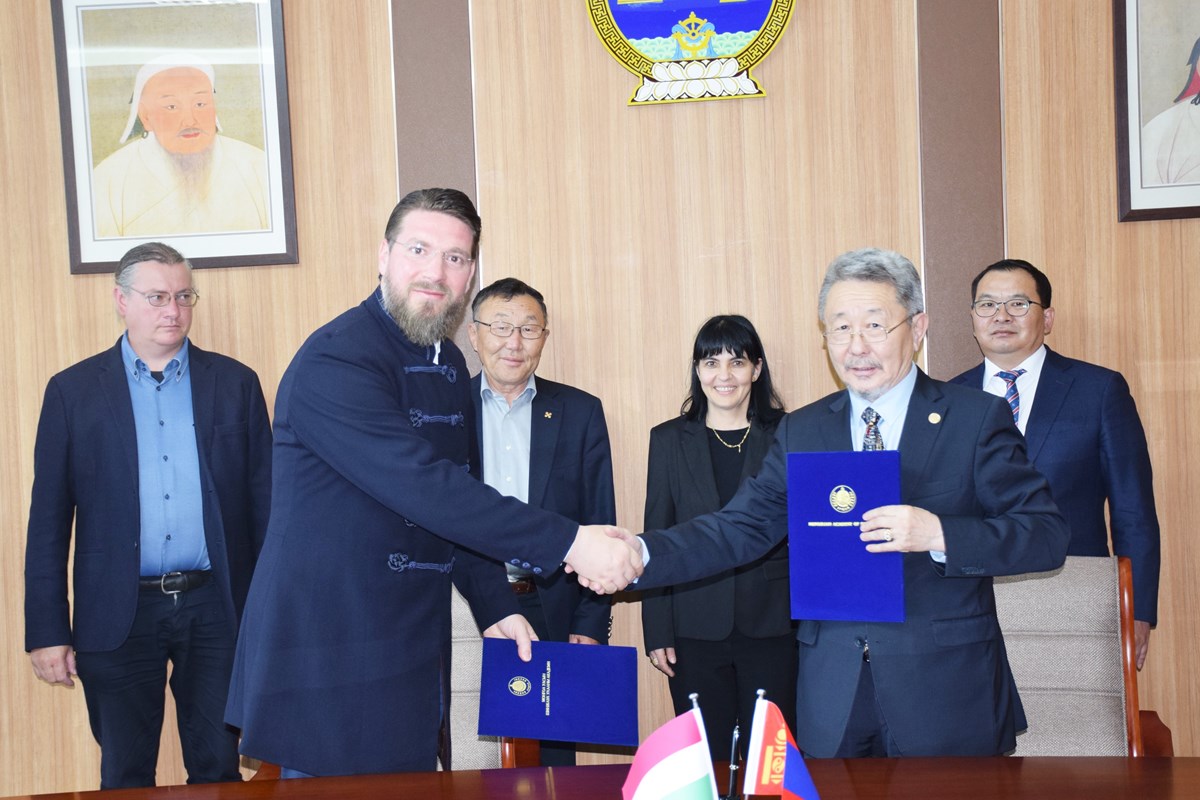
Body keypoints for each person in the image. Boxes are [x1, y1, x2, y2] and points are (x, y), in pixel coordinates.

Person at [224, 188, 641, 778]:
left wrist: (495, 605)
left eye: (455, 257)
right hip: (329, 646)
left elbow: (456, 494)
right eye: (418, 249)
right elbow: (426, 487)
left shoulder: (446, 361)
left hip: (409, 644)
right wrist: (571, 542)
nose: (436, 272)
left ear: (471, 273)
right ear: (384, 255)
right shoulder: (336, 359)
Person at [593, 248, 1070, 758]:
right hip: (831, 691)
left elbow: (1044, 535)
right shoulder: (803, 430)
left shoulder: (975, 417)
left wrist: (939, 534)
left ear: (918, 327)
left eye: (875, 326)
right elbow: (740, 526)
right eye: (840, 328)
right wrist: (641, 552)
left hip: (943, 687)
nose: (856, 346)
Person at [24, 242, 272, 788]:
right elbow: (47, 524)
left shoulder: (235, 383)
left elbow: (266, 508)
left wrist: (272, 613)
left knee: (218, 767)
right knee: (125, 773)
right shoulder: (72, 392)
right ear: (121, 300)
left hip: (217, 607)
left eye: (183, 296)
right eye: (157, 297)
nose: (173, 310)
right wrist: (47, 631)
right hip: (118, 611)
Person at [950, 258, 1160, 669]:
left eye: (1018, 303)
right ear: (973, 319)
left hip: (1073, 592)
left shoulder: (1099, 390)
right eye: (987, 305)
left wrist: (1136, 609)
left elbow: (1133, 510)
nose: (1001, 316)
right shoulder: (948, 400)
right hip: (974, 601)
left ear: (1046, 318)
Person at [466, 276, 616, 766]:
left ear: (544, 337)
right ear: (474, 335)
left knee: (551, 767)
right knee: (472, 759)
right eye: (500, 326)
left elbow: (599, 522)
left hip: (551, 606)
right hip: (466, 607)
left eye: (528, 329)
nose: (514, 342)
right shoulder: (446, 413)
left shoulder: (579, 412)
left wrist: (590, 623)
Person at [640, 315, 796, 762]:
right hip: (693, 625)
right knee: (703, 761)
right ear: (697, 369)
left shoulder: (789, 433)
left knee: (770, 761)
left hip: (773, 623)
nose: (723, 375)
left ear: (757, 369)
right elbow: (658, 533)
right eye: (711, 362)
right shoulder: (668, 439)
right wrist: (657, 630)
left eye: (737, 362)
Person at [91, 54, 269, 238]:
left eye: (200, 104)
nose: (189, 120)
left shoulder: (258, 165)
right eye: (171, 107)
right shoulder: (108, 180)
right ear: (145, 116)